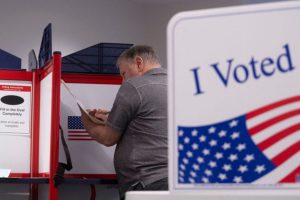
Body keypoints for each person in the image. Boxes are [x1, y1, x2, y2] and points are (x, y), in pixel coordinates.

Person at [80, 45, 168, 199]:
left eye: (124, 74)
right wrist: (112, 118)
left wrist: (85, 119)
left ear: (139, 62)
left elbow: (108, 138)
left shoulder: (134, 86)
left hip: (146, 184)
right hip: (179, 182)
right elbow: (152, 123)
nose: (123, 81)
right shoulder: (180, 85)